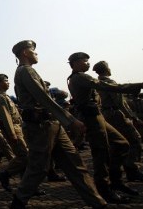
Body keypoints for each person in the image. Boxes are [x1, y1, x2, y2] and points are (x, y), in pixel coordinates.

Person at [9, 40, 106, 209]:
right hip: (40, 127)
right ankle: (17, 203)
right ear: (25, 53)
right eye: (33, 51)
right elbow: (43, 98)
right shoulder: (25, 71)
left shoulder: (28, 71)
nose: (36, 54)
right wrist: (70, 120)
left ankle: (98, 203)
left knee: (76, 165)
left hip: (51, 124)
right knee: (38, 169)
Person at [68, 52, 142, 202]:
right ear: (75, 63)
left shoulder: (78, 77)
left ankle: (116, 182)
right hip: (91, 118)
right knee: (101, 154)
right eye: (85, 60)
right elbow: (105, 86)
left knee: (121, 144)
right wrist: (138, 86)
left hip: (97, 116)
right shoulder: (80, 77)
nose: (88, 63)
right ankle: (104, 189)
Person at [93, 60, 143, 182]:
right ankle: (132, 169)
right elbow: (120, 102)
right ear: (106, 69)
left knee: (117, 143)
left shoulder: (97, 82)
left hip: (106, 114)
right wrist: (132, 117)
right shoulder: (109, 82)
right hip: (116, 114)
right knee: (134, 140)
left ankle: (120, 171)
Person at [0, 74, 28, 192]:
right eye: (5, 81)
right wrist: (12, 133)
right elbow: (6, 117)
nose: (8, 83)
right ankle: (5, 174)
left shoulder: (6, 96)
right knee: (24, 155)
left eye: (8, 81)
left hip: (18, 127)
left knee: (23, 157)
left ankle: (27, 185)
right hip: (13, 129)